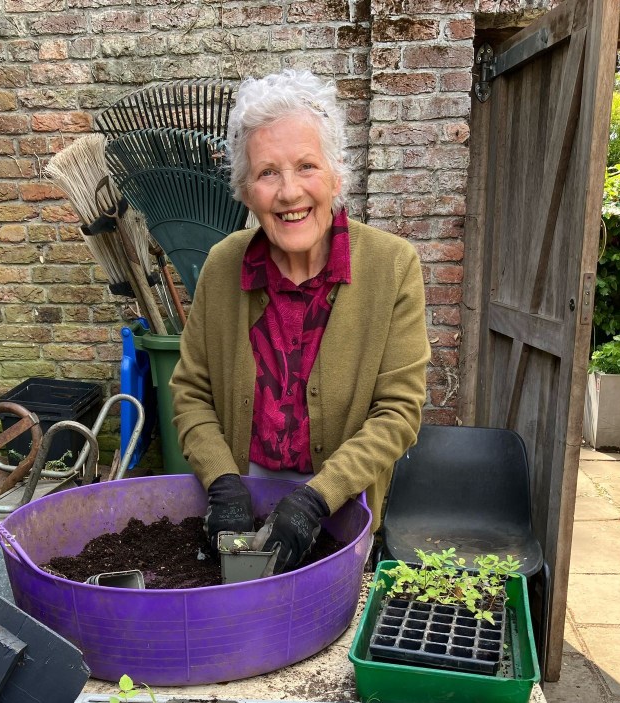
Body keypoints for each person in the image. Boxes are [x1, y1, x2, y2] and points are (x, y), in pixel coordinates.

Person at [170, 69, 430, 573]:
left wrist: (316, 499)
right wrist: (222, 481)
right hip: (241, 508)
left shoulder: (392, 266)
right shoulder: (222, 266)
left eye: (307, 166)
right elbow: (191, 391)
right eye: (267, 173)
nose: (289, 192)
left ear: (336, 175)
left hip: (338, 510)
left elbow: (398, 411)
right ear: (246, 190)